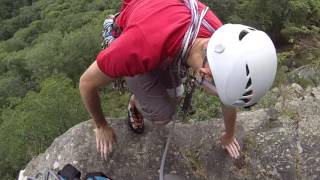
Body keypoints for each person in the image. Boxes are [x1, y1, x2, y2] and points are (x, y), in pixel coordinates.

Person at [79, 0, 277, 160]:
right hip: (136, 39)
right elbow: (86, 83)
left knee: (176, 94)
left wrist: (229, 135)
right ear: (204, 74)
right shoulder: (136, 48)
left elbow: (228, 96)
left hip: (163, 39)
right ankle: (135, 104)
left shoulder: (222, 40)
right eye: (218, 90)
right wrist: (101, 125)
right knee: (163, 115)